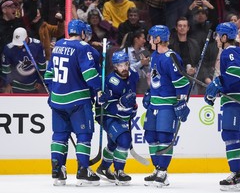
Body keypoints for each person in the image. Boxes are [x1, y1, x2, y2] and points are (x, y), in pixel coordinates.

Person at [44, 19, 102, 186]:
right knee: (84, 135)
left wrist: (53, 91)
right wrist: (99, 90)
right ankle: (83, 170)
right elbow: (90, 74)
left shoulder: (59, 44)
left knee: (59, 135)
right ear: (83, 33)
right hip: (77, 100)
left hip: (57, 100)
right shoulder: (83, 47)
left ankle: (58, 170)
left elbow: (49, 74)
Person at [204, 22, 240, 191]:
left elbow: (235, 73)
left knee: (230, 134)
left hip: (237, 98)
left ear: (225, 37)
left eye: (218, 35)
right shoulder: (237, 51)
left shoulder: (230, 51)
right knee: (236, 135)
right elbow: (232, 79)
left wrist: (218, 82)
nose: (217, 39)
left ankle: (236, 175)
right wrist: (218, 90)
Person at [142, 25, 190, 187]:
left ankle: (163, 171)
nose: (148, 40)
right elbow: (157, 79)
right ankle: (157, 169)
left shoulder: (171, 57)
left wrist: (181, 101)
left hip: (167, 106)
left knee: (164, 137)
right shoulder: (155, 55)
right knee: (150, 136)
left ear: (157, 39)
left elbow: (182, 83)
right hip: (154, 104)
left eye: (150, 37)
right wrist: (149, 93)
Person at [95, 51, 139, 185]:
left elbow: (131, 96)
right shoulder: (110, 81)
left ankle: (103, 168)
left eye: (125, 64)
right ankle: (119, 172)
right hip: (108, 115)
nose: (124, 68)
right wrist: (100, 99)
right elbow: (101, 101)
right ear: (115, 67)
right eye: (120, 65)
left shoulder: (134, 75)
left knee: (114, 144)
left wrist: (132, 107)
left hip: (123, 115)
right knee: (124, 140)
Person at [1, 27, 46, 93]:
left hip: (34, 85)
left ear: (26, 37)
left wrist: (40, 82)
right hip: (15, 86)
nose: (19, 46)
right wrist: (8, 83)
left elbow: (42, 66)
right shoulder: (8, 48)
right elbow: (5, 69)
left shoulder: (37, 45)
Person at [122, 29, 150, 93]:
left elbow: (150, 69)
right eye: (143, 38)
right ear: (136, 39)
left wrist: (147, 64)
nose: (145, 41)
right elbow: (125, 68)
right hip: (130, 82)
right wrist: (141, 63)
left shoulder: (145, 51)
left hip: (144, 84)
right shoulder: (125, 51)